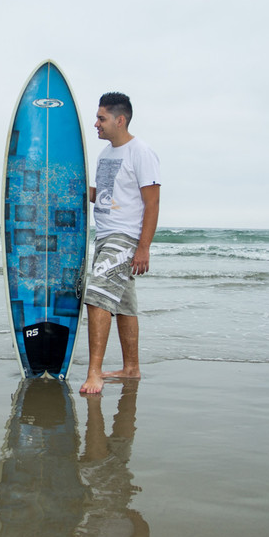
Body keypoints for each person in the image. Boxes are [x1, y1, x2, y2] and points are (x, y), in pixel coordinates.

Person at [79, 93, 161, 395]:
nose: (96, 124)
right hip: (103, 236)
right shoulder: (105, 156)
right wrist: (77, 188)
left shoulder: (140, 152)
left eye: (101, 118)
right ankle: (131, 368)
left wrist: (143, 247)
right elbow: (104, 197)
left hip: (123, 236)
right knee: (124, 304)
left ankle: (94, 373)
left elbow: (152, 203)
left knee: (97, 295)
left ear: (120, 120)